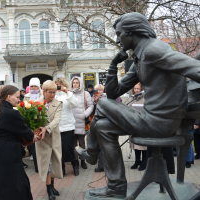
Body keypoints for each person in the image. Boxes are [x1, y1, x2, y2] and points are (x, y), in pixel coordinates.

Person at [76, 12, 200, 198]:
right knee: (102, 126)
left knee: (102, 104)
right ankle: (116, 187)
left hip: (161, 123)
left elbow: (194, 68)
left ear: (133, 32)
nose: (118, 40)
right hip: (151, 119)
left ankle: (92, 153)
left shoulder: (154, 50)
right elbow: (114, 92)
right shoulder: (140, 57)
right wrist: (113, 64)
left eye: (120, 34)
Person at [0, 85, 37, 200]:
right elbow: (27, 133)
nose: (19, 100)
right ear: (9, 97)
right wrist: (34, 136)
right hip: (9, 152)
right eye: (17, 97)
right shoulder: (12, 113)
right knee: (16, 184)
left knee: (0, 183)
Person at [36, 80, 63, 200]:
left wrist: (46, 128)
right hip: (42, 139)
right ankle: (48, 188)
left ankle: (52, 185)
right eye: (50, 92)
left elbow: (57, 120)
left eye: (54, 92)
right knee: (47, 164)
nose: (52, 95)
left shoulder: (58, 103)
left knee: (55, 163)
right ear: (44, 91)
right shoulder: (36, 103)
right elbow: (34, 120)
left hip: (53, 136)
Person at [55, 77, 79, 176]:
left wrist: (66, 92)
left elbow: (75, 104)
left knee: (68, 148)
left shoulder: (69, 95)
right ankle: (62, 167)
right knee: (58, 149)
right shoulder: (53, 96)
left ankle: (74, 164)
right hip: (56, 127)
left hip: (68, 126)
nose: (59, 86)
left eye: (60, 84)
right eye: (57, 84)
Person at [70, 76, 93, 171]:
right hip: (71, 123)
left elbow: (90, 106)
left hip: (81, 122)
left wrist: (85, 114)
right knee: (73, 144)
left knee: (82, 143)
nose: (75, 84)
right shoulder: (69, 93)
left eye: (77, 82)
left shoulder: (85, 93)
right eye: (74, 82)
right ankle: (75, 162)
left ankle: (83, 160)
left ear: (80, 84)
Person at [24, 77, 44, 173]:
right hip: (31, 123)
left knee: (42, 145)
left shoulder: (43, 95)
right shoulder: (27, 96)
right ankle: (37, 167)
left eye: (35, 86)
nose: (33, 88)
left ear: (38, 86)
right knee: (34, 146)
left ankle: (43, 165)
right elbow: (24, 107)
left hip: (41, 122)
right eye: (31, 86)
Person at [125, 83, 147, 171]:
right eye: (135, 88)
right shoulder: (132, 98)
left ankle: (144, 162)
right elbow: (125, 107)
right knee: (135, 144)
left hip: (143, 125)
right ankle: (137, 161)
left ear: (141, 89)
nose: (136, 90)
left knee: (143, 145)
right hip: (134, 125)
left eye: (138, 89)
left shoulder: (145, 98)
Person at [92, 84, 106, 173]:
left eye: (100, 90)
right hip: (98, 123)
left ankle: (107, 165)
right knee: (100, 146)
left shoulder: (105, 98)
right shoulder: (95, 99)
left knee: (106, 146)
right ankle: (101, 165)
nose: (99, 91)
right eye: (97, 90)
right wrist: (96, 101)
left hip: (105, 123)